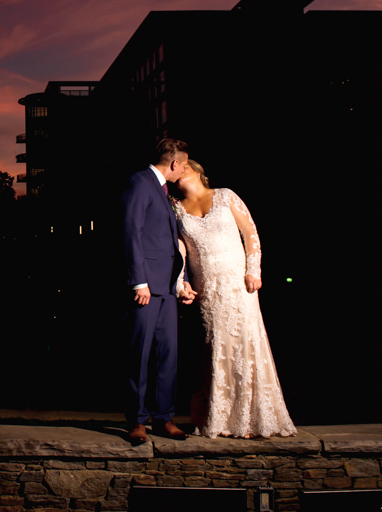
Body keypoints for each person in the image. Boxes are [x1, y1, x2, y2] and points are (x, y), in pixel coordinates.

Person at [175, 159, 296, 438]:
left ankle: (255, 418)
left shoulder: (225, 195)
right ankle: (221, 419)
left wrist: (254, 270)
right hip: (208, 289)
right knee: (215, 348)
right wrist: (181, 283)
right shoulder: (177, 209)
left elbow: (250, 233)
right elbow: (179, 251)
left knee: (246, 344)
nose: (180, 170)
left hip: (238, 284)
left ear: (198, 172)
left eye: (185, 167)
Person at [123, 138, 197, 445]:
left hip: (167, 287)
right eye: (185, 164)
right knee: (139, 354)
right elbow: (131, 231)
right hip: (146, 287)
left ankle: (164, 418)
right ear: (175, 163)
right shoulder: (140, 182)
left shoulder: (165, 192)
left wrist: (180, 282)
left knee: (168, 354)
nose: (185, 170)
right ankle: (137, 421)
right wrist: (138, 281)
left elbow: (169, 242)